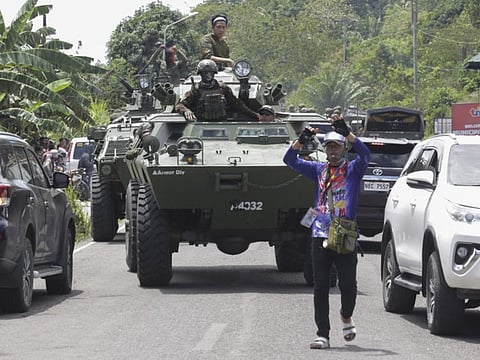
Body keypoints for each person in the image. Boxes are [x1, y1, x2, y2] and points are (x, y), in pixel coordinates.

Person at [283, 114, 370, 350]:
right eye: (330, 146)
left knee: (348, 286)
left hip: (344, 235)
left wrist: (347, 131)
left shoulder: (353, 170)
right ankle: (323, 334)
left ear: (343, 149)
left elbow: (366, 154)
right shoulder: (318, 170)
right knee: (320, 286)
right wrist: (301, 140)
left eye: (337, 146)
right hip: (320, 234)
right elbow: (289, 159)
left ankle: (346, 316)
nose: (333, 151)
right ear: (326, 149)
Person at [176, 59, 258, 122]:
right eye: (205, 73)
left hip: (222, 122)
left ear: (214, 73)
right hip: (202, 123)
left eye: (210, 72)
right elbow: (180, 105)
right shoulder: (196, 90)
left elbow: (237, 104)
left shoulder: (222, 87)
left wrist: (255, 115)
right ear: (200, 74)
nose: (208, 75)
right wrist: (186, 110)